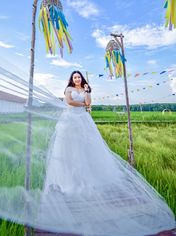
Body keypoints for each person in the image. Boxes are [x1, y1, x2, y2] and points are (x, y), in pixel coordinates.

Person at [39, 70, 176, 236]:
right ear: (71, 79)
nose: (77, 79)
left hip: (83, 121)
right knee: (68, 149)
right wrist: (84, 105)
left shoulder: (85, 90)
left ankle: (87, 178)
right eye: (75, 77)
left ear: (81, 79)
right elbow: (69, 102)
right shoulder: (68, 90)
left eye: (79, 77)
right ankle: (69, 181)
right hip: (70, 121)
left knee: (86, 150)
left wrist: (88, 92)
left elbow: (89, 102)